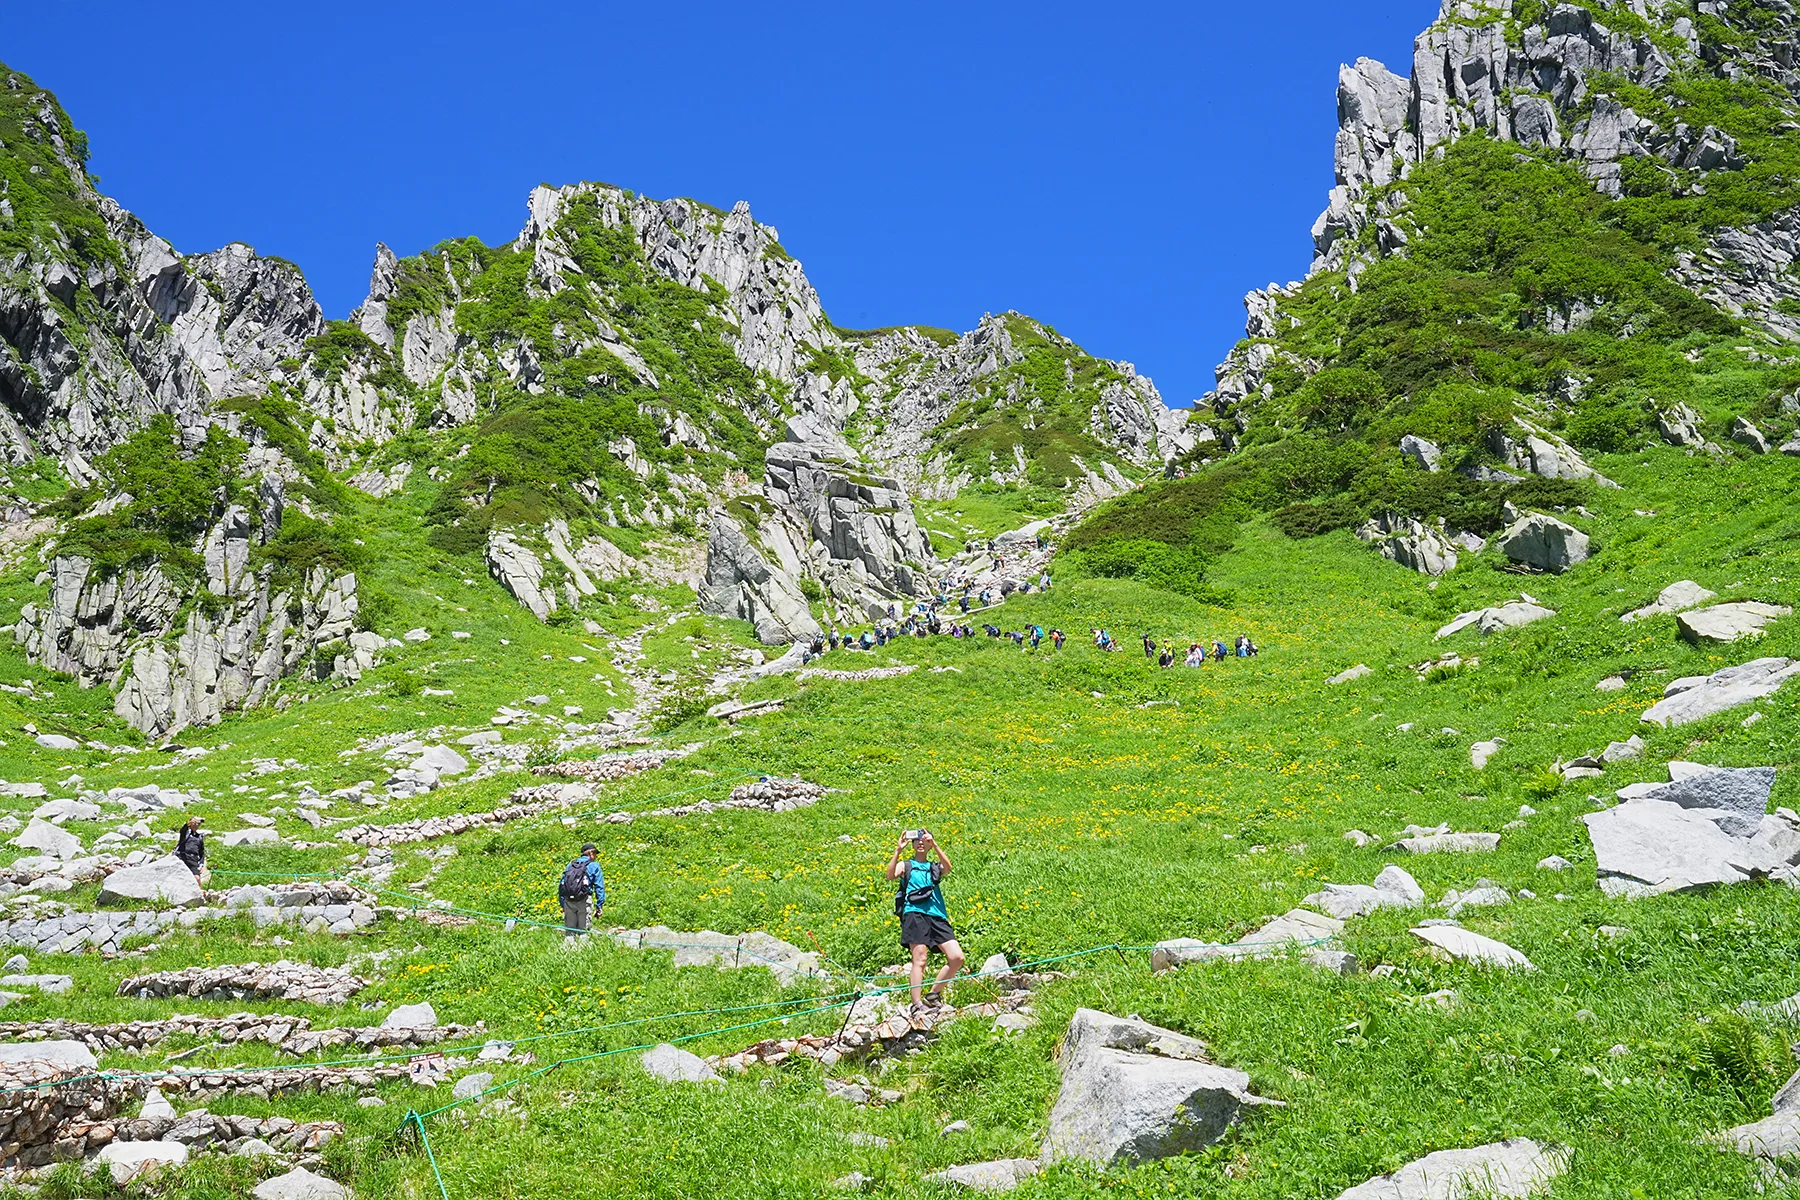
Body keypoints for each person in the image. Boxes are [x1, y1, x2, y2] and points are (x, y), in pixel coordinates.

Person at [887, 829, 964, 1014]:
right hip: (914, 914)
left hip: (937, 915)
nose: (920, 843)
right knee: (920, 959)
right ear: (912, 845)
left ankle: (933, 994)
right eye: (917, 841)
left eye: (924, 840)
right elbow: (890, 875)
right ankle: (916, 1003)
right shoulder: (906, 865)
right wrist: (898, 851)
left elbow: (948, 868)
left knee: (956, 957)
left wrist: (936, 844)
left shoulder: (934, 867)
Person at [558, 843, 606, 938]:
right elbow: (599, 886)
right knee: (583, 930)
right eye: (595, 854)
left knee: (570, 931)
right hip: (584, 900)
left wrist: (563, 904)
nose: (595, 856)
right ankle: (582, 951)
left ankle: (567, 951)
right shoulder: (594, 866)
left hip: (569, 901)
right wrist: (599, 905)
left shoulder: (571, 865)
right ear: (591, 853)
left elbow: (562, 884)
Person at [175, 816, 208, 885]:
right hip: (182, 857)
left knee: (197, 878)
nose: (196, 826)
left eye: (198, 824)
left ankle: (200, 893)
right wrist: (187, 824)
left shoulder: (199, 837)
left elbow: (201, 852)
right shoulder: (186, 834)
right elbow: (183, 831)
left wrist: (201, 864)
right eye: (195, 824)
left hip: (193, 859)